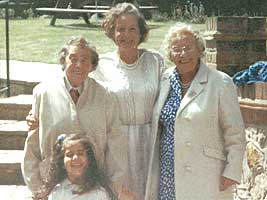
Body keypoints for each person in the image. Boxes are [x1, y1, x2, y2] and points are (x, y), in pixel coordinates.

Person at [145, 23, 245, 200]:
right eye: (176, 49)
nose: (183, 54)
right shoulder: (165, 79)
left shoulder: (220, 82)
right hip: (168, 171)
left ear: (200, 49)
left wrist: (232, 171)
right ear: (170, 54)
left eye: (188, 47)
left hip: (206, 173)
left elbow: (235, 132)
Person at [22, 36, 127, 200]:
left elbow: (116, 144)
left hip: (95, 185)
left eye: (85, 60)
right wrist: (38, 189)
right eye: (73, 58)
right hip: (53, 186)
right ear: (63, 61)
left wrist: (113, 187)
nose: (79, 65)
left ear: (92, 66)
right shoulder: (43, 93)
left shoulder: (105, 95)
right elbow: (32, 146)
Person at [89, 2, 165, 199]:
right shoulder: (102, 65)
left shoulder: (155, 61)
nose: (126, 35)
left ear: (141, 32)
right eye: (120, 29)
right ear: (111, 32)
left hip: (151, 142)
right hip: (117, 145)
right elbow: (82, 95)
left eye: (132, 29)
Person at [46, 133, 113, 200]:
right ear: (62, 162)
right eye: (70, 154)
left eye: (80, 153)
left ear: (88, 159)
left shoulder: (99, 193)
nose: (75, 158)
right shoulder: (57, 193)